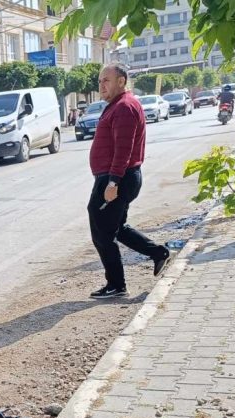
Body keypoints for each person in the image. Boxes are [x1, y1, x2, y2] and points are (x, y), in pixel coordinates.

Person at [86, 64, 171, 299]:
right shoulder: (117, 105)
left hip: (117, 178)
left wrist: (112, 183)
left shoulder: (124, 106)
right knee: (116, 228)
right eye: (100, 81)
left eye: (106, 80)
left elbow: (124, 149)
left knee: (102, 232)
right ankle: (158, 253)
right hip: (118, 177)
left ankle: (116, 285)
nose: (101, 85)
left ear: (121, 81)